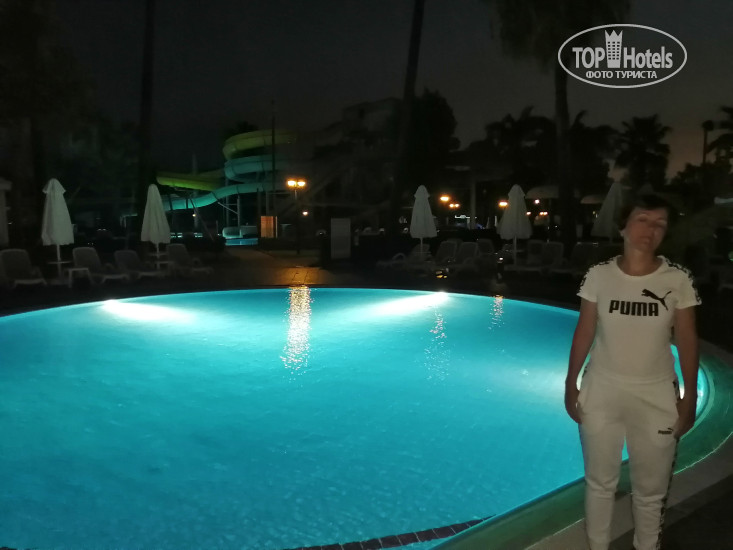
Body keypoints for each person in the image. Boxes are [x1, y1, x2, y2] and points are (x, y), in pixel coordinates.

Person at [564, 193, 700, 550]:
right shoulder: (599, 276)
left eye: (660, 224)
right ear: (623, 226)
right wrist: (570, 382)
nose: (650, 229)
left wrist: (689, 397)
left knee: (650, 491)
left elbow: (687, 340)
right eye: (643, 219)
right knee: (599, 483)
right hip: (602, 389)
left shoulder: (677, 279)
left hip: (656, 394)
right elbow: (584, 330)